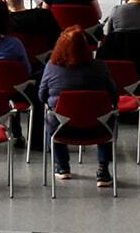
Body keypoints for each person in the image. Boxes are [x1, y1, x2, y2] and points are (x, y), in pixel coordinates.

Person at [39, 26, 120, 186]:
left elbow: (42, 96)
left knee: (51, 117)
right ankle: (103, 171)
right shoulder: (100, 67)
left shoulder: (51, 67)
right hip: (97, 127)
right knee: (108, 117)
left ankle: (62, 167)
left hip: (63, 127)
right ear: (86, 48)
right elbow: (114, 96)